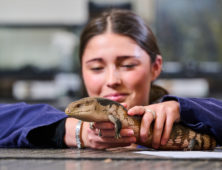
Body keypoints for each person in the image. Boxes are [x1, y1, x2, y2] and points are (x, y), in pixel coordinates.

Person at [0, 9, 222, 149]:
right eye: (96, 67)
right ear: (82, 72)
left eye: (127, 65)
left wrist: (185, 108)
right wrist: (73, 131)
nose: (112, 80)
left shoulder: (185, 117)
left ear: (155, 67)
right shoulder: (76, 117)